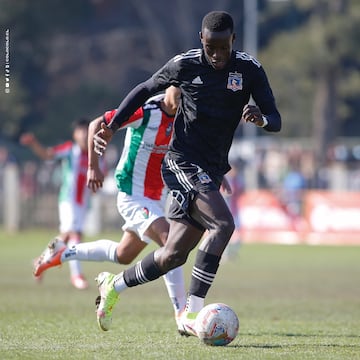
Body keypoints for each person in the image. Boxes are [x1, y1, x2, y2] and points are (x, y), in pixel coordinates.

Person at [79, 11, 281, 335]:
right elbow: (144, 89)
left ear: (234, 41)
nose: (216, 55)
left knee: (172, 255)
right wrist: (114, 125)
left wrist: (261, 118)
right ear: (201, 40)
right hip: (181, 162)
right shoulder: (184, 65)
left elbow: (275, 118)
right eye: (210, 47)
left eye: (223, 48)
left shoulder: (249, 70)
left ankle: (114, 285)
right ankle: (192, 313)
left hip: (211, 170)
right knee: (224, 224)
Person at [33, 86, 187, 328]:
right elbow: (97, 124)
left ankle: (62, 252)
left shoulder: (185, 114)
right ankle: (182, 315)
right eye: (181, 89)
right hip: (132, 194)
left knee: (123, 254)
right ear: (170, 83)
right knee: (171, 244)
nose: (184, 97)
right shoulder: (146, 111)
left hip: (156, 198)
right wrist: (94, 167)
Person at [20, 119, 91, 289]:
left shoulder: (95, 154)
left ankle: (41, 260)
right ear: (75, 135)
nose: (84, 134)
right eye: (80, 131)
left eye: (87, 130)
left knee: (70, 236)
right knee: (71, 234)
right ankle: (76, 276)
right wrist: (34, 143)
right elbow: (47, 154)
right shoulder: (70, 150)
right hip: (68, 199)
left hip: (83, 202)